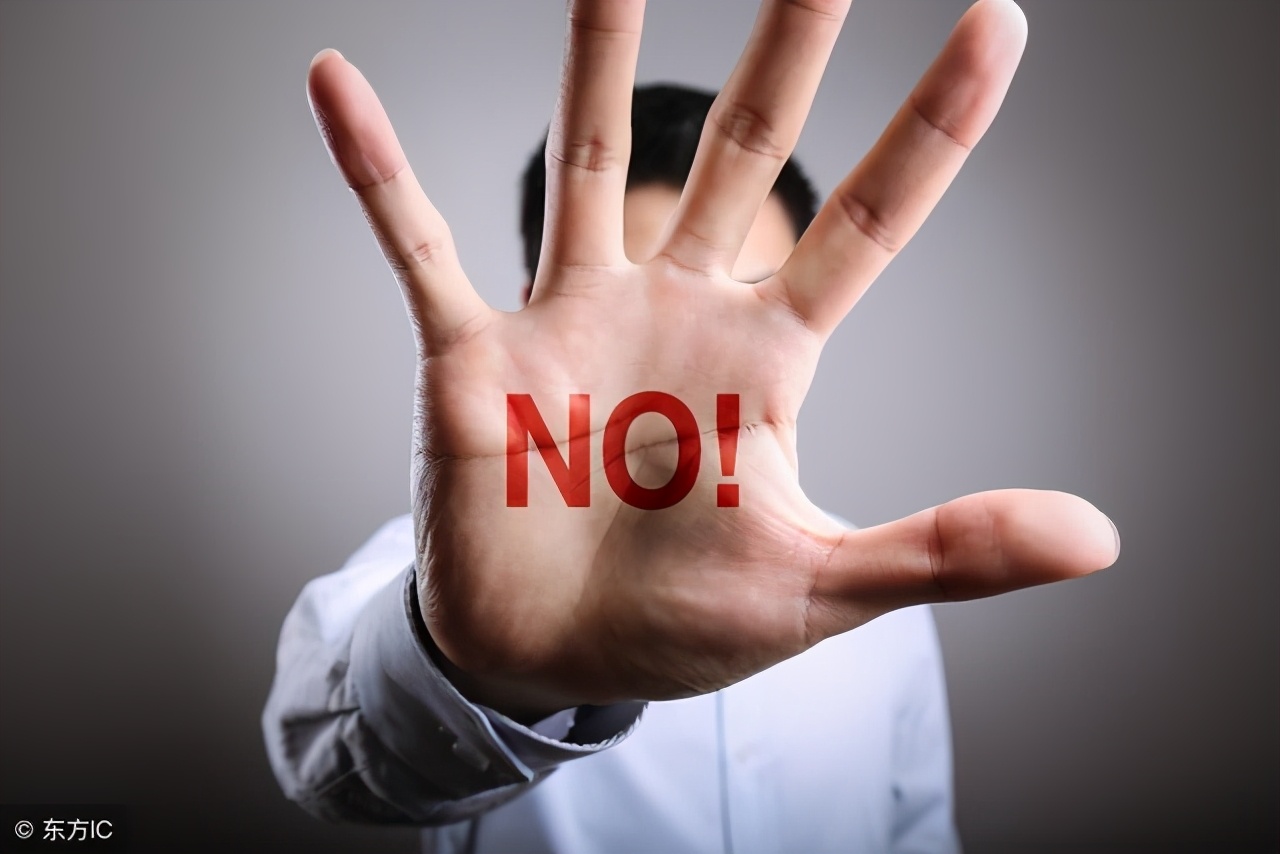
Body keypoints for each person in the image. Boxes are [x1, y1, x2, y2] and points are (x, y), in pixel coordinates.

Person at [264, 1, 1120, 852]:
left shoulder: (882, 612)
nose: (684, 362)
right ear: (528, 311)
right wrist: (489, 676)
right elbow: (316, 756)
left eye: (745, 303)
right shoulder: (430, 580)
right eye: (629, 320)